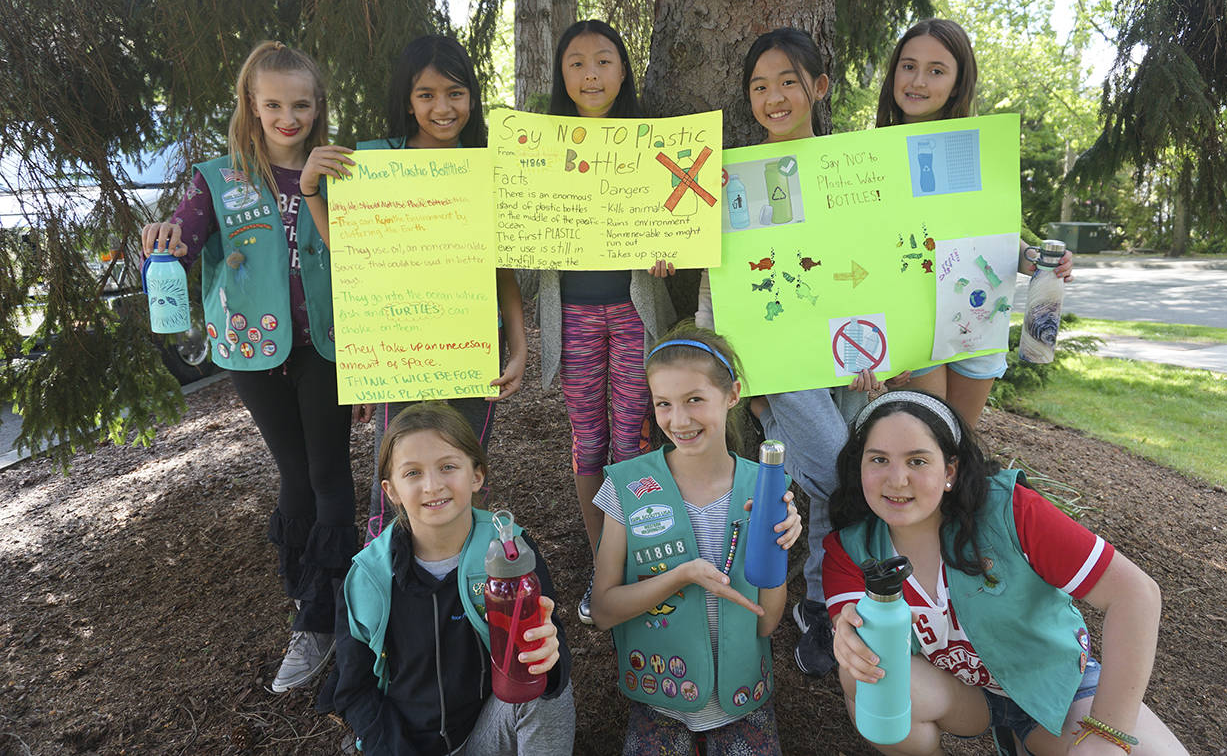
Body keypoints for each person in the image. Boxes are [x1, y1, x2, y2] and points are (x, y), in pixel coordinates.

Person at [140, 41, 360, 692]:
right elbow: (185, 228)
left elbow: (379, 248)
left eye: (301, 103)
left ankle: (336, 606)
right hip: (251, 351)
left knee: (328, 470)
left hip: (327, 344)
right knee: (295, 473)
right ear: (252, 106)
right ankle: (309, 603)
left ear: (319, 106)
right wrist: (168, 239)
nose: (287, 117)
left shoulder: (341, 169)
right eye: (273, 105)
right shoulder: (218, 176)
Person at [823, 390, 1188, 755]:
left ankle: (1031, 739)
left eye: (917, 461)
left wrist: (1110, 735)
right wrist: (846, 635)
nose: (897, 479)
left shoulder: (1010, 510)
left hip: (1056, 685)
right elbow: (856, 636)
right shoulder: (851, 550)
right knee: (862, 675)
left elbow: (1136, 594)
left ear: (950, 471)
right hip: (960, 697)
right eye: (879, 459)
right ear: (860, 467)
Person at [295, 34, 527, 544]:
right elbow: (352, 253)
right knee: (400, 479)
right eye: (426, 95)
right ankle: (392, 594)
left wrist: (519, 345)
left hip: (471, 347)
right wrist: (311, 189)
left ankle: (465, 587)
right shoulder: (374, 165)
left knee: (464, 469)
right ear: (407, 99)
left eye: (456, 93)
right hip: (398, 352)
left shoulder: (486, 165)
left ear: (473, 96)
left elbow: (501, 266)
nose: (442, 108)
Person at [720, 27, 889, 678]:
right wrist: (738, 373)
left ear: (818, 87)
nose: (773, 96)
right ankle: (832, 602)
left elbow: (879, 253)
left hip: (855, 357)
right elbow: (724, 275)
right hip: (780, 366)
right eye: (759, 86)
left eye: (788, 81)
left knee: (838, 484)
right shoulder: (736, 174)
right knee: (845, 475)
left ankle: (826, 603)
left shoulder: (850, 165)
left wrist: (890, 343)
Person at [588, 324, 802, 754]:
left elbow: (766, 622)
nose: (678, 420)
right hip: (659, 695)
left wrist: (777, 550)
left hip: (742, 698)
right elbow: (604, 610)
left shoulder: (763, 489)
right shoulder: (628, 488)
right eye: (663, 404)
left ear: (733, 395)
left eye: (694, 400)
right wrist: (681, 575)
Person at [326, 403, 575, 755]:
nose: (433, 485)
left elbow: (554, 650)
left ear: (476, 475)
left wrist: (551, 657)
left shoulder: (509, 553)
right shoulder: (368, 577)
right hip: (410, 746)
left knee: (545, 687)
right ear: (391, 489)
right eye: (412, 473)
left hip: (489, 735)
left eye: (448, 466)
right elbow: (354, 689)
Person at [537, 19, 676, 625]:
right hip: (571, 313)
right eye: (576, 63)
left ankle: (634, 561)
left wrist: (676, 247)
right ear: (561, 76)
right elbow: (522, 237)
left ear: (624, 71)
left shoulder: (652, 143)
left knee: (632, 439)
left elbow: (686, 229)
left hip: (631, 310)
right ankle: (603, 564)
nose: (590, 74)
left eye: (604, 61)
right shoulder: (539, 150)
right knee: (588, 439)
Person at [874, 18, 1074, 428]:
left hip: (975, 317)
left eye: (936, 70)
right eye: (908, 66)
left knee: (957, 448)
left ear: (958, 81)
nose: (918, 81)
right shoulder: (868, 157)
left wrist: (1034, 258)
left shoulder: (979, 153)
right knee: (924, 440)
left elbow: (992, 236)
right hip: (912, 322)